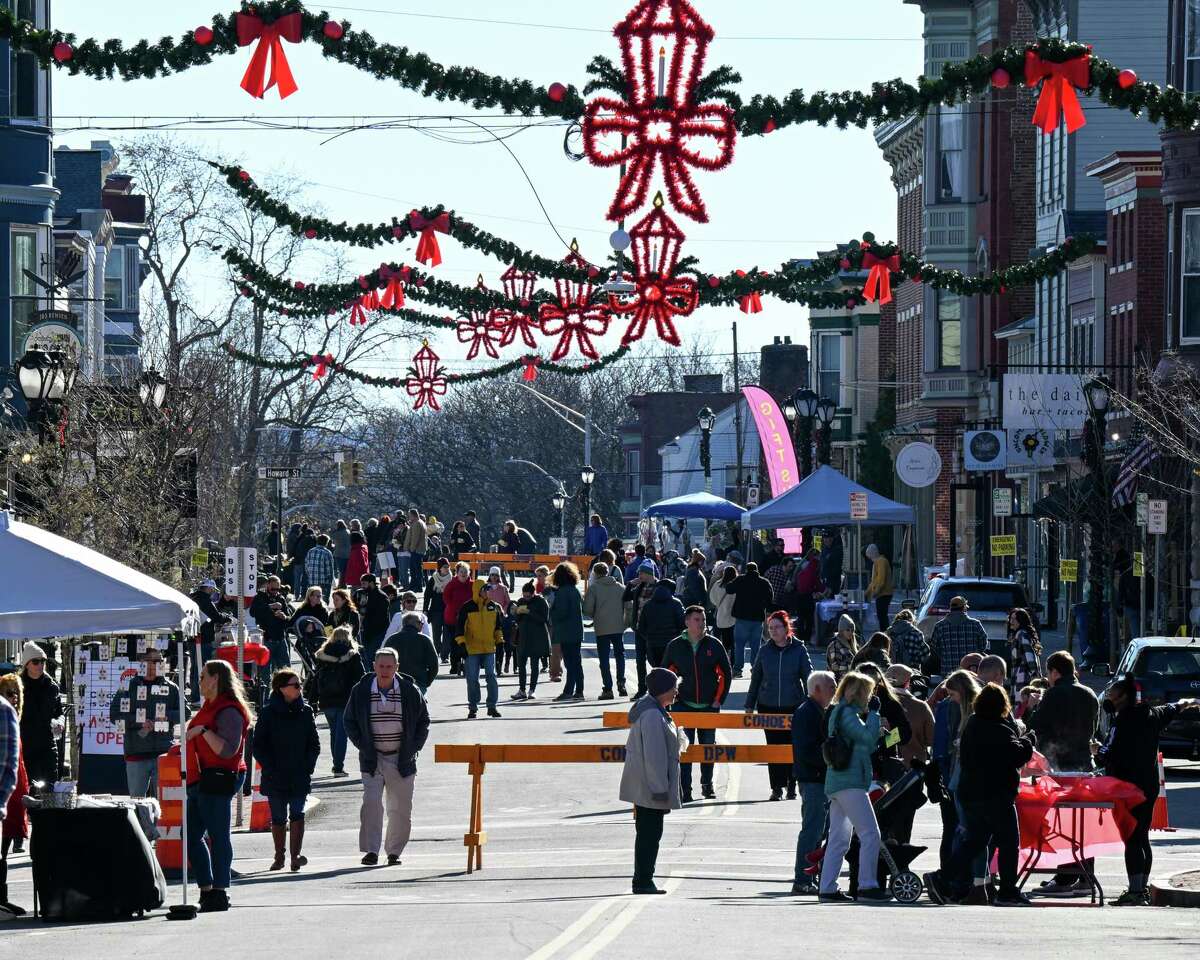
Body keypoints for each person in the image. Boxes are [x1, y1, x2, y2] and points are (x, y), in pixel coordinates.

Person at [925, 683, 1035, 907]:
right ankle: (1007, 891)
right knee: (1008, 842)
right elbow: (1016, 755)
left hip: (971, 794)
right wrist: (1029, 740)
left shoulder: (973, 724)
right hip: (996, 796)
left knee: (975, 842)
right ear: (1002, 705)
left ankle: (942, 877)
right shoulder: (998, 728)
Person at [1098, 677, 1200, 904]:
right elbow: (1177, 706)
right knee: (1142, 836)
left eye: (1112, 696)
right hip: (1149, 786)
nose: (1109, 701)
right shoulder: (1153, 714)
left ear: (1124, 697)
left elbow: (1107, 753)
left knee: (1132, 839)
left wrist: (1096, 750)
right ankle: (1141, 888)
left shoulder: (1122, 721)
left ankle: (1135, 892)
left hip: (1126, 788)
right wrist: (1192, 701)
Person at [343, 649, 430, 866]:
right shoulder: (361, 690)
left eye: (389, 666)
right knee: (371, 804)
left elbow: (423, 721)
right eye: (381, 666)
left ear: (397, 668)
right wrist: (363, 745)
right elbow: (349, 721)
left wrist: (413, 748)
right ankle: (371, 851)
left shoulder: (410, 690)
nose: (384, 670)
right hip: (373, 758)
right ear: (374, 666)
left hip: (402, 759)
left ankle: (394, 852)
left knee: (400, 808)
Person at [185, 659, 251, 913]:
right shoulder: (209, 706)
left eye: (203, 676)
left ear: (215, 679)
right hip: (199, 779)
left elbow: (227, 750)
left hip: (220, 776)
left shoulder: (229, 710)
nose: (199, 680)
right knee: (191, 835)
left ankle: (220, 890)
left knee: (218, 835)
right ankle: (207, 888)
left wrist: (202, 731)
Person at [818, 671, 889, 902]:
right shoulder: (849, 714)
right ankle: (867, 885)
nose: (869, 698)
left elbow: (863, 744)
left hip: (838, 782)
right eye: (867, 693)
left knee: (838, 838)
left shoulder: (839, 713)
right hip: (851, 782)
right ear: (858, 693)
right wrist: (875, 715)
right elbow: (867, 740)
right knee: (870, 833)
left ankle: (827, 887)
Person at [619, 667, 688, 895]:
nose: (676, 692)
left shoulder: (654, 710)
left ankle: (644, 879)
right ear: (662, 691)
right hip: (650, 789)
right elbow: (654, 757)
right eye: (673, 688)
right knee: (649, 836)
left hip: (647, 787)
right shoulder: (651, 715)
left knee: (649, 834)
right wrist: (660, 790)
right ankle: (643, 881)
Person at [253, 668, 320, 872]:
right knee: (279, 816)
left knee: (298, 813)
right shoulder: (267, 713)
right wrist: (271, 768)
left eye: (300, 684)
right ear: (282, 689)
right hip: (276, 775)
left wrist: (308, 766)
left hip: (299, 773)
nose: (300, 688)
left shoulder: (306, 711)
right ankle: (279, 856)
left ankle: (295, 856)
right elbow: (258, 746)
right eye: (295, 685)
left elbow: (314, 744)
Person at [663, 606, 732, 802]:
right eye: (696, 620)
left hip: (709, 706)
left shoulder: (714, 645)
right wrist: (669, 702)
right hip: (682, 705)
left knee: (708, 747)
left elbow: (725, 674)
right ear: (687, 622)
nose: (701, 623)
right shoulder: (675, 646)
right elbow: (666, 675)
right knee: (685, 749)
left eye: (703, 620)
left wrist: (718, 700)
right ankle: (685, 789)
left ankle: (707, 785)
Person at [746, 610, 812, 800]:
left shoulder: (799, 649)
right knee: (773, 748)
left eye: (777, 627)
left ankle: (792, 785)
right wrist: (749, 704)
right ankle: (776, 787)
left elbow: (808, 675)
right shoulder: (765, 650)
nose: (773, 631)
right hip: (768, 705)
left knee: (792, 747)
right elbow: (756, 678)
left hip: (793, 706)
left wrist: (812, 702)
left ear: (786, 628)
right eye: (770, 628)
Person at [108, 647, 182, 797]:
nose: (159, 664)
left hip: (163, 754)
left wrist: (166, 716)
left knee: (162, 804)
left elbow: (185, 712)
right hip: (137, 754)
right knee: (137, 803)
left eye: (161, 661)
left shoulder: (171, 687)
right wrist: (139, 722)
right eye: (154, 661)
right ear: (143, 663)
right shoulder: (128, 687)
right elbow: (114, 715)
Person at [791, 670, 836, 894]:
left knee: (821, 831)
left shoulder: (818, 710)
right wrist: (833, 760)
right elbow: (807, 750)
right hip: (813, 779)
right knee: (812, 831)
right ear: (817, 689)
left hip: (819, 779)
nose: (834, 691)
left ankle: (810, 877)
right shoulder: (807, 712)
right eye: (831, 687)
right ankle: (802, 879)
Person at [314, 626, 365, 777]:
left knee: (334, 733)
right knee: (342, 733)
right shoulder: (352, 655)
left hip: (327, 699)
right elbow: (361, 676)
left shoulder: (323, 655)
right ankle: (338, 767)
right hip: (345, 698)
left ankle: (336, 763)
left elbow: (317, 677)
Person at [455, 578, 504, 719]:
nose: (488, 591)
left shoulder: (493, 606)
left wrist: (499, 643)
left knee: (492, 677)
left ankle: (492, 706)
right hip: (472, 649)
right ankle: (473, 707)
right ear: (478, 590)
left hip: (489, 648)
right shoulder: (467, 607)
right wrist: (462, 645)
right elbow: (459, 629)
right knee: (472, 679)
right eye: (485, 589)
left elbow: (498, 628)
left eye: (488, 589)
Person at [17, 642, 62, 786]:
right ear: (27, 665)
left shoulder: (52, 686)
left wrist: (60, 723)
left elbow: (59, 712)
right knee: (27, 790)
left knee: (49, 789)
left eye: (43, 661)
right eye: (36, 662)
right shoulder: (17, 686)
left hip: (47, 745)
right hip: (24, 746)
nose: (40, 665)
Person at [583, 561, 628, 699]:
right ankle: (621, 682)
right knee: (620, 655)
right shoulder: (620, 587)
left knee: (604, 658)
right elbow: (628, 605)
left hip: (602, 627)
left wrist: (596, 615)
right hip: (618, 626)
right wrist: (626, 622)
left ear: (595, 574)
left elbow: (587, 609)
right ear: (608, 572)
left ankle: (608, 688)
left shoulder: (594, 588)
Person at [0, 675, 24, 920]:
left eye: (15, 692)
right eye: (8, 692)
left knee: (4, 848)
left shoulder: (4, 711)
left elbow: (9, 764)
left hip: (8, 794)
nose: (13, 697)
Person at [726, 562, 775, 677]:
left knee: (739, 645)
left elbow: (729, 589)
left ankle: (738, 669)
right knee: (755, 645)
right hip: (757, 619)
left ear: (746, 570)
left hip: (742, 618)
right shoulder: (764, 582)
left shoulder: (740, 580)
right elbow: (770, 598)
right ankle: (755, 669)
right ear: (757, 570)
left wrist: (730, 580)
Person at [190, 579, 232, 704]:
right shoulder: (205, 600)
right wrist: (228, 618)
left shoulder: (193, 598)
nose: (213, 592)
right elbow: (216, 616)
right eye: (212, 589)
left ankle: (194, 696)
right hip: (203, 639)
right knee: (201, 668)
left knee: (194, 667)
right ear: (208, 588)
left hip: (193, 638)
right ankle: (197, 697)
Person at [885, 664, 934, 770]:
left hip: (886, 767)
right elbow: (931, 739)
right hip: (915, 767)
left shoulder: (878, 704)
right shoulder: (921, 706)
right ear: (907, 683)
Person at [550, 562, 587, 701]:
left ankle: (570, 691)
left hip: (566, 631)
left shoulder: (562, 592)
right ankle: (578, 690)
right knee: (576, 662)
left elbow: (561, 613)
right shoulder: (574, 590)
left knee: (570, 663)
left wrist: (551, 609)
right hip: (576, 630)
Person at [624, 562, 659, 699]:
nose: (639, 575)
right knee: (640, 661)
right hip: (639, 629)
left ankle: (656, 690)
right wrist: (630, 585)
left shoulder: (658, 587)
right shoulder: (640, 586)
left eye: (641, 573)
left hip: (652, 631)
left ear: (648, 573)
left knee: (654, 661)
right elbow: (626, 597)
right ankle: (641, 689)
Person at [637, 576, 687, 673]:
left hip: (653, 645)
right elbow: (683, 624)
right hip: (672, 644)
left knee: (658, 672)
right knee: (671, 673)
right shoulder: (676, 603)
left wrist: (649, 638)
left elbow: (641, 628)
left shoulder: (648, 605)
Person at [929, 596, 988, 675]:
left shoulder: (939, 626)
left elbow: (934, 647)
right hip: (971, 671)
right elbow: (984, 642)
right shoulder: (975, 624)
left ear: (950, 608)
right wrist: (976, 655)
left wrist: (945, 657)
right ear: (964, 608)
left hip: (948, 671)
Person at [381, 613, 440, 694]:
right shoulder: (424, 640)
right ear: (413, 623)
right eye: (420, 622)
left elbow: (383, 662)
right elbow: (434, 665)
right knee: (418, 706)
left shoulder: (392, 639)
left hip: (395, 683)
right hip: (419, 683)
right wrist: (426, 681)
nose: (422, 624)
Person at [512, 581, 550, 700]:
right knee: (521, 665)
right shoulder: (521, 601)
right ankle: (522, 690)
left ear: (533, 594)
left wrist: (529, 612)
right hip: (523, 637)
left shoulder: (541, 602)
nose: (526, 598)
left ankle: (532, 690)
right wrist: (517, 612)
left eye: (528, 596)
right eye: (524, 595)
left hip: (537, 637)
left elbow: (544, 619)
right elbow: (517, 619)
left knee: (535, 665)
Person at [250, 577, 295, 671]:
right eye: (272, 589)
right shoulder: (260, 597)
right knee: (265, 672)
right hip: (266, 639)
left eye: (277, 589)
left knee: (285, 670)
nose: (275, 591)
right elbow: (253, 612)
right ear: (267, 585)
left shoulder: (281, 598)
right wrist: (270, 606)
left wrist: (284, 617)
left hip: (280, 638)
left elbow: (290, 619)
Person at [441, 562, 475, 677]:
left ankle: (467, 664)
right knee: (454, 643)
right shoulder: (452, 584)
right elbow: (446, 598)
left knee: (467, 642)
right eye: (461, 572)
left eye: (465, 572)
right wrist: (455, 609)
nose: (463, 574)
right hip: (453, 618)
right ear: (457, 573)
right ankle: (454, 665)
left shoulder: (472, 585)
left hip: (469, 619)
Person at [356, 573, 392, 669]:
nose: (362, 586)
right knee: (365, 657)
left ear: (371, 583)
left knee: (371, 657)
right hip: (365, 632)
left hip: (377, 632)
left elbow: (380, 617)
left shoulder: (381, 597)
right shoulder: (362, 594)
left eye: (364, 583)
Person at [793, 548, 825, 646]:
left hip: (799, 595)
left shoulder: (802, 567)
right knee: (809, 618)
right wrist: (821, 590)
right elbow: (816, 582)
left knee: (801, 618)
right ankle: (806, 639)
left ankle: (800, 637)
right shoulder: (814, 568)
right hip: (807, 597)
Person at [1008, 608, 1042, 698]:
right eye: (1010, 618)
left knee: (1021, 706)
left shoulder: (1021, 634)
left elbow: (1029, 655)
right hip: (1019, 677)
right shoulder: (1019, 634)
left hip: (1023, 678)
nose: (1011, 621)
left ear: (1021, 621)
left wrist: (1035, 675)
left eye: (1014, 619)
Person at [708, 564, 737, 659]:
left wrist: (718, 604)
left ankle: (720, 658)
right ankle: (732, 661)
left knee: (720, 640)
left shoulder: (717, 584)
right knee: (732, 642)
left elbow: (712, 598)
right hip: (733, 617)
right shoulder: (737, 586)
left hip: (720, 616)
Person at [863, 544, 894, 632]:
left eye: (869, 556)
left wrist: (875, 592)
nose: (870, 559)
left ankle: (885, 634)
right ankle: (884, 633)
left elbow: (881, 580)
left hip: (884, 593)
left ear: (872, 554)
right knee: (881, 616)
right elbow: (874, 581)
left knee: (882, 616)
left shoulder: (881, 562)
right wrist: (866, 593)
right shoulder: (879, 562)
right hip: (882, 593)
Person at [826, 614, 858, 680]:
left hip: (851, 682)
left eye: (852, 630)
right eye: (848, 630)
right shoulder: (834, 646)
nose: (850, 632)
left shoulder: (853, 646)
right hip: (840, 684)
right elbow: (835, 668)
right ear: (841, 630)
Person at [304, 534, 337, 598]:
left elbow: (306, 565)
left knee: (312, 600)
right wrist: (330, 582)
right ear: (326, 542)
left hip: (312, 580)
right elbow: (329, 570)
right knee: (323, 600)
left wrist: (309, 575)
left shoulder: (310, 551)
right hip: (323, 582)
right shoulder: (327, 552)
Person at [402, 508, 428, 589]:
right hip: (419, 549)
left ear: (413, 515)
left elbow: (415, 538)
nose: (409, 517)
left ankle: (417, 586)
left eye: (409, 515)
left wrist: (412, 548)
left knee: (415, 569)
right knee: (415, 569)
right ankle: (415, 585)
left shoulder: (417, 523)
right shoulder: (419, 522)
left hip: (416, 550)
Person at [820, 528, 844, 596]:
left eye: (829, 538)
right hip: (825, 582)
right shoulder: (824, 550)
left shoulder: (837, 550)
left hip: (835, 583)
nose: (827, 540)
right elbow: (823, 566)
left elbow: (836, 569)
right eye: (825, 538)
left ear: (833, 538)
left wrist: (831, 585)